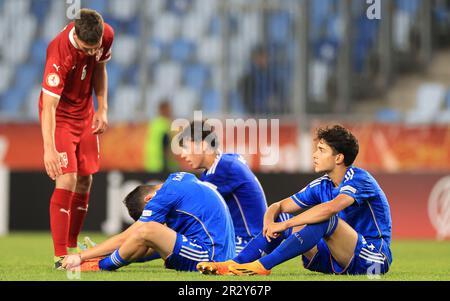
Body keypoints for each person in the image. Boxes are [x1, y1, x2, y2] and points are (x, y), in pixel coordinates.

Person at [197, 125, 393, 276]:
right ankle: (234, 264)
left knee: (325, 219)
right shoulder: (323, 183)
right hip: (335, 258)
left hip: (372, 261)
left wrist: (286, 224)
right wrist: (270, 221)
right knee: (283, 217)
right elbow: (279, 206)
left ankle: (262, 266)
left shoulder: (360, 179)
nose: (314, 154)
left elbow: (331, 209)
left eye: (321, 150)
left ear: (339, 158)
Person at [39, 8, 114, 268]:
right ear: (75, 33)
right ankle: (61, 255)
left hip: (85, 114)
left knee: (85, 180)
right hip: (60, 118)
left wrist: (102, 107)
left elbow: (100, 70)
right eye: (86, 48)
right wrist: (49, 149)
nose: (92, 53)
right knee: (67, 177)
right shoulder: (58, 53)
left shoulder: (105, 36)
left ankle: (73, 248)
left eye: (95, 48)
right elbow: (48, 107)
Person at [62, 172, 236, 272]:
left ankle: (99, 266)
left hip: (211, 258)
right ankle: (102, 256)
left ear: (149, 199)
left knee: (148, 230)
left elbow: (129, 237)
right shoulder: (181, 178)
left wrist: (81, 256)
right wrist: (102, 251)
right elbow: (146, 247)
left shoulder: (164, 196)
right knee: (149, 236)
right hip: (220, 253)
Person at [178, 120, 291, 255]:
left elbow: (192, 210)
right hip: (252, 236)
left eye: (186, 148)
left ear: (202, 144)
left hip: (249, 242)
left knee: (184, 242)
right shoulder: (226, 161)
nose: (183, 155)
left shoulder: (223, 169)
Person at [144, 100, 178, 173]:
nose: (170, 112)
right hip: (161, 163)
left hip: (152, 162)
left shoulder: (154, 123)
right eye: (168, 109)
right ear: (163, 110)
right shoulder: (165, 124)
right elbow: (165, 144)